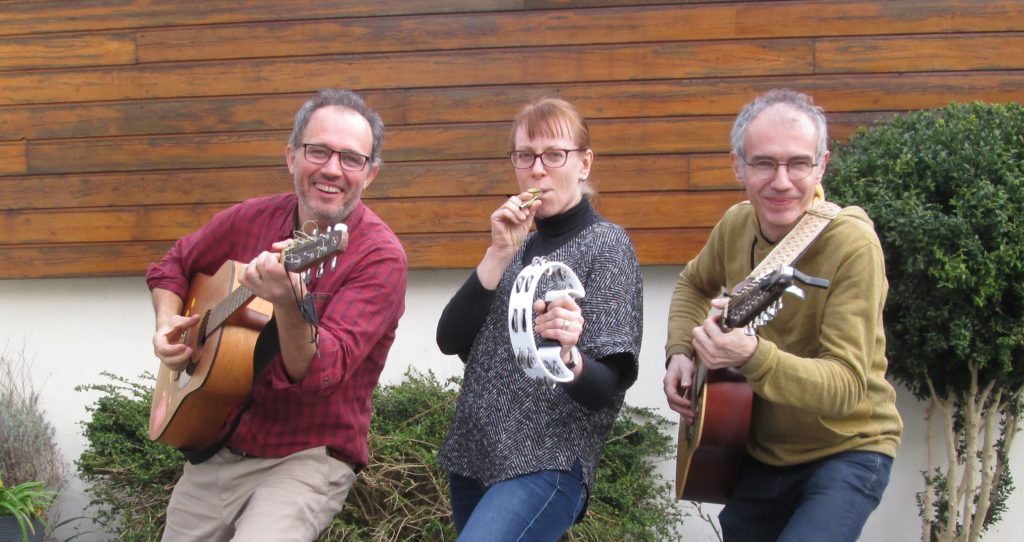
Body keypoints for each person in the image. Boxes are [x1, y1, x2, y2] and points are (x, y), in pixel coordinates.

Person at [147, 89, 408, 542]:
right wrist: (168, 322)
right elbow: (173, 264)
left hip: (307, 456)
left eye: (351, 158)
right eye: (318, 151)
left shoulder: (380, 258)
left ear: (370, 173)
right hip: (220, 443)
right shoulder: (251, 219)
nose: (332, 169)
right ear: (291, 156)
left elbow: (321, 375)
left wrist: (288, 302)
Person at [663, 88, 902, 541]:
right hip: (761, 450)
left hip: (847, 448)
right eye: (764, 163)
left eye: (798, 163)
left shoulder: (852, 244)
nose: (782, 181)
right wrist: (679, 351)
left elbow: (847, 386)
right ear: (739, 165)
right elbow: (693, 284)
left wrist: (752, 355)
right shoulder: (736, 225)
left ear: (822, 165)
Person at [436, 97, 643, 541]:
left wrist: (570, 357)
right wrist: (497, 254)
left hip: (546, 463)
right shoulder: (516, 246)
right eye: (525, 155)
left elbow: (608, 387)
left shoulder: (607, 245)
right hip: (475, 455)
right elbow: (449, 337)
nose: (537, 169)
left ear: (584, 163)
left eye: (554, 154)